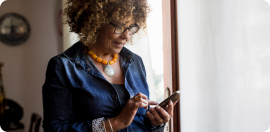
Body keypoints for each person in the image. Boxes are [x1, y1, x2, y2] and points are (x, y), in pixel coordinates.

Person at [42, 0, 175, 131]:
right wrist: (117, 122)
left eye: (130, 27)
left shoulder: (135, 62)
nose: (126, 36)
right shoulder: (63, 66)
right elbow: (55, 129)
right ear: (95, 22)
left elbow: (141, 122)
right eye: (119, 26)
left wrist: (155, 123)